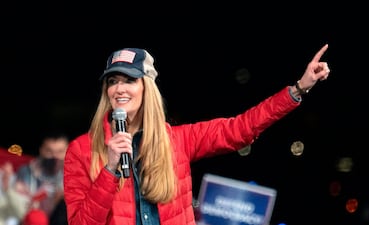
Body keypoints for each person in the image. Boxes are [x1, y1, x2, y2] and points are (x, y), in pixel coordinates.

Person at [64, 44, 330, 225]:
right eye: (112, 81)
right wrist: (110, 169)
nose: (119, 89)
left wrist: (298, 89)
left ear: (147, 87)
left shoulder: (178, 140)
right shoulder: (81, 150)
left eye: (129, 80)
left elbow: (241, 128)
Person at [13, 130, 69, 223]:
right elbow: (19, 209)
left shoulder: (74, 175)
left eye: (60, 152)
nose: (55, 156)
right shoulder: (26, 172)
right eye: (49, 151)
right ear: (41, 150)